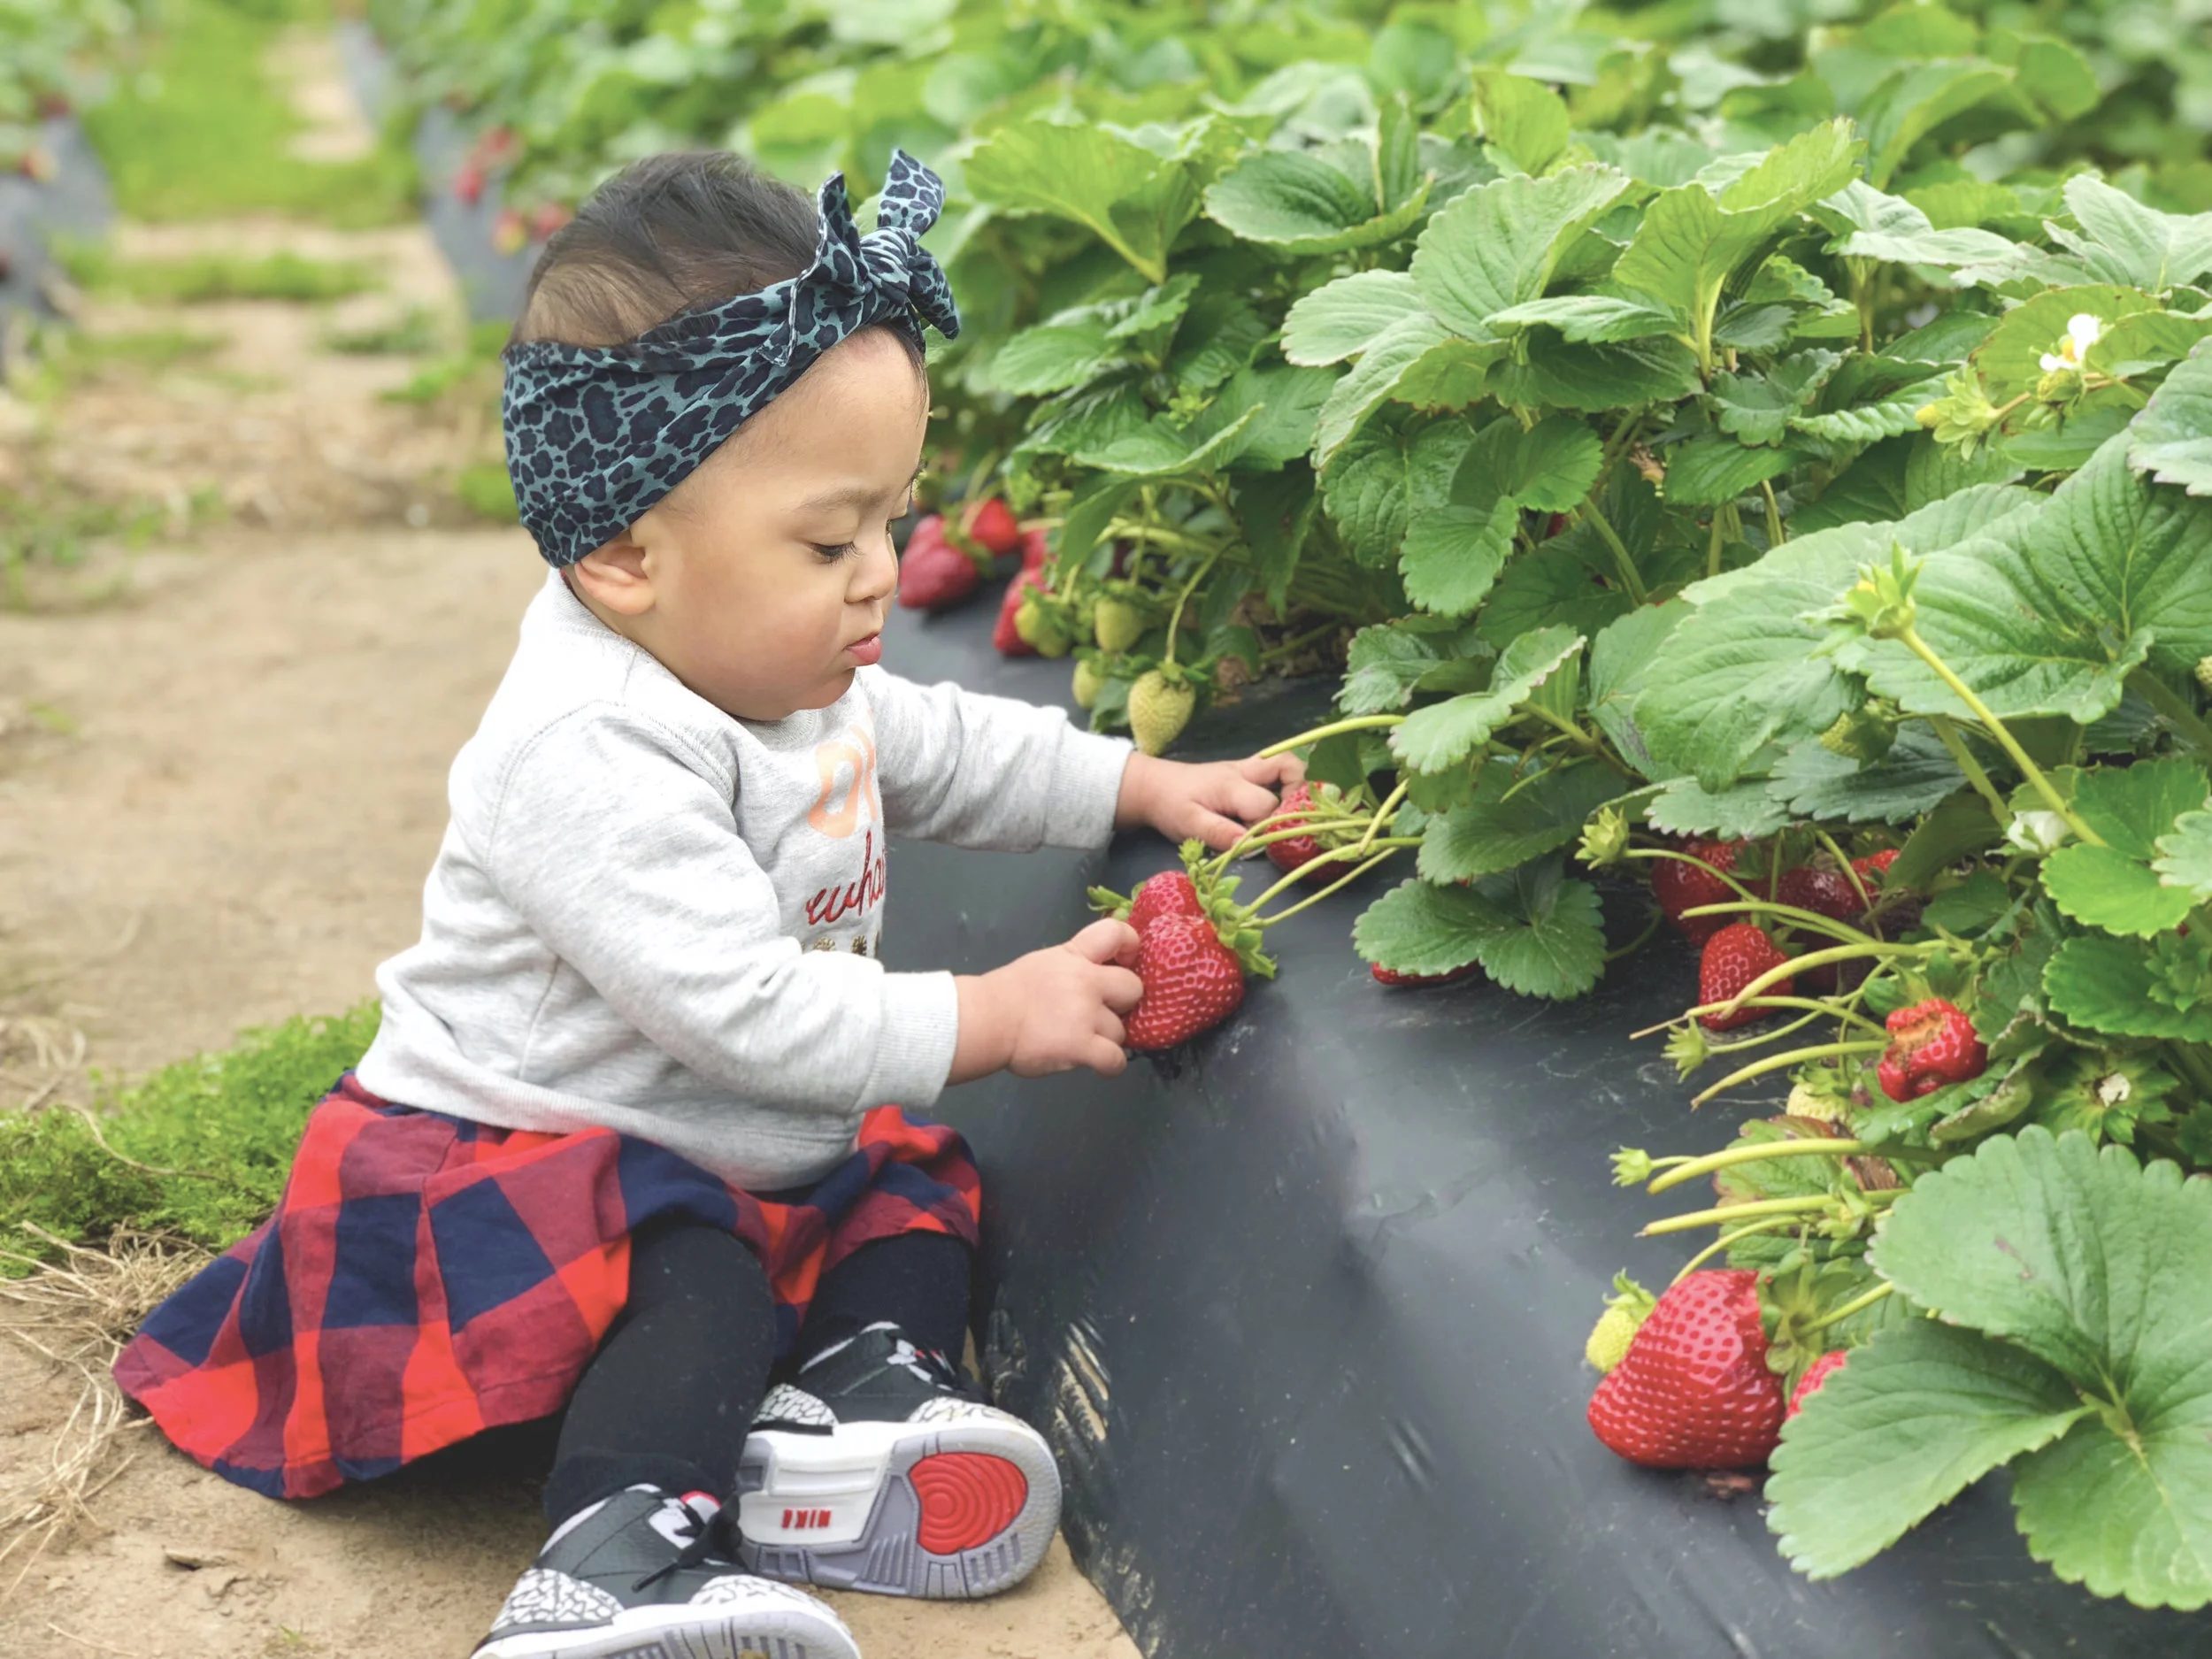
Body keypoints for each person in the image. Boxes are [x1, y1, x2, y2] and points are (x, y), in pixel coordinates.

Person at [114, 148, 1302, 1659]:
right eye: (829, 541)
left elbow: (930, 741)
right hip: (523, 1172)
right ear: (623, 554)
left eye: (891, 522)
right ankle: (612, 1557)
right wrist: (992, 1013)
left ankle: (848, 1412)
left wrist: (1128, 783)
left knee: (915, 1183)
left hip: (711, 1134)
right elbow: (743, 1013)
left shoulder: (771, 664)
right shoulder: (588, 745)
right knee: (699, 1276)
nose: (881, 577)